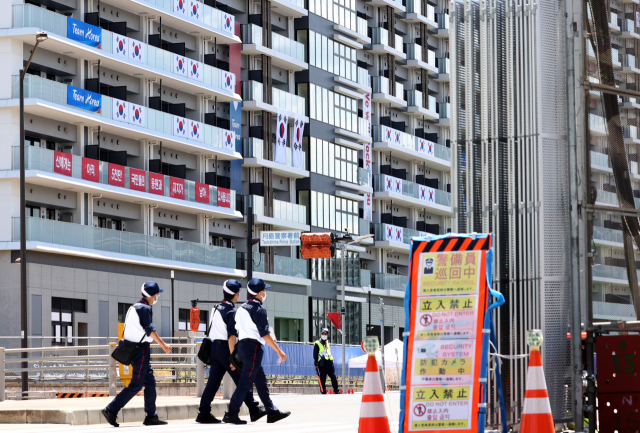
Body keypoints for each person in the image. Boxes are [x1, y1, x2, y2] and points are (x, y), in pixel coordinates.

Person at [102, 281, 172, 427]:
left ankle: (151, 416)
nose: (157, 297)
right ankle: (111, 409)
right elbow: (150, 330)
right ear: (152, 295)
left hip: (133, 349)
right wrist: (164, 345)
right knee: (136, 385)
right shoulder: (145, 308)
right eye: (156, 294)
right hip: (140, 350)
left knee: (150, 383)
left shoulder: (133, 307)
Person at [196, 279, 267, 424]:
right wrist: (233, 358)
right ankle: (252, 409)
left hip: (214, 349)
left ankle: (203, 412)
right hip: (225, 349)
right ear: (235, 295)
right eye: (238, 292)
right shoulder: (231, 311)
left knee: (213, 383)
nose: (239, 294)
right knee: (242, 380)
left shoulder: (216, 307)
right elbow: (231, 337)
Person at [223, 278, 291, 425]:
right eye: (264, 290)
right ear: (260, 293)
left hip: (242, 347)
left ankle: (271, 412)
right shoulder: (259, 309)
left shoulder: (241, 308)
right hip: (253, 349)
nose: (265, 293)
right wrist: (279, 351)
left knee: (260, 381)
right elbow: (265, 334)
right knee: (245, 383)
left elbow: (236, 332)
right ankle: (231, 413)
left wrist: (234, 355)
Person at [314, 328, 340, 394]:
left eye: (325, 334)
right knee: (323, 378)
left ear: (328, 335)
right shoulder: (317, 343)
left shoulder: (327, 343)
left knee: (333, 376)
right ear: (320, 334)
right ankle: (323, 391)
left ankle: (337, 391)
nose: (324, 335)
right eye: (323, 333)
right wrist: (316, 364)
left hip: (329, 361)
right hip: (322, 362)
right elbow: (315, 354)